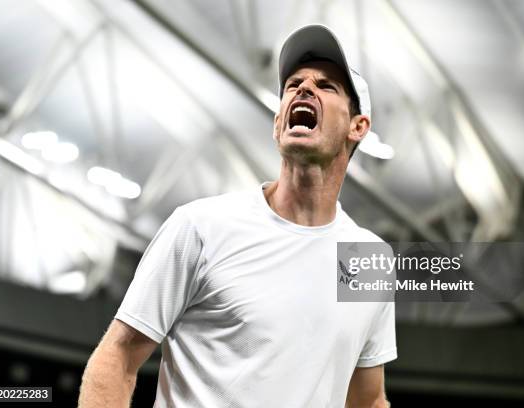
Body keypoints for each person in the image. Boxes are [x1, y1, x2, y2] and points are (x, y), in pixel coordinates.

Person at [78, 24, 396, 408]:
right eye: (293, 84)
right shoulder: (200, 227)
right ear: (279, 122)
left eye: (326, 86)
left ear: (358, 127)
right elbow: (118, 356)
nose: (303, 88)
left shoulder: (369, 260)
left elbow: (367, 399)